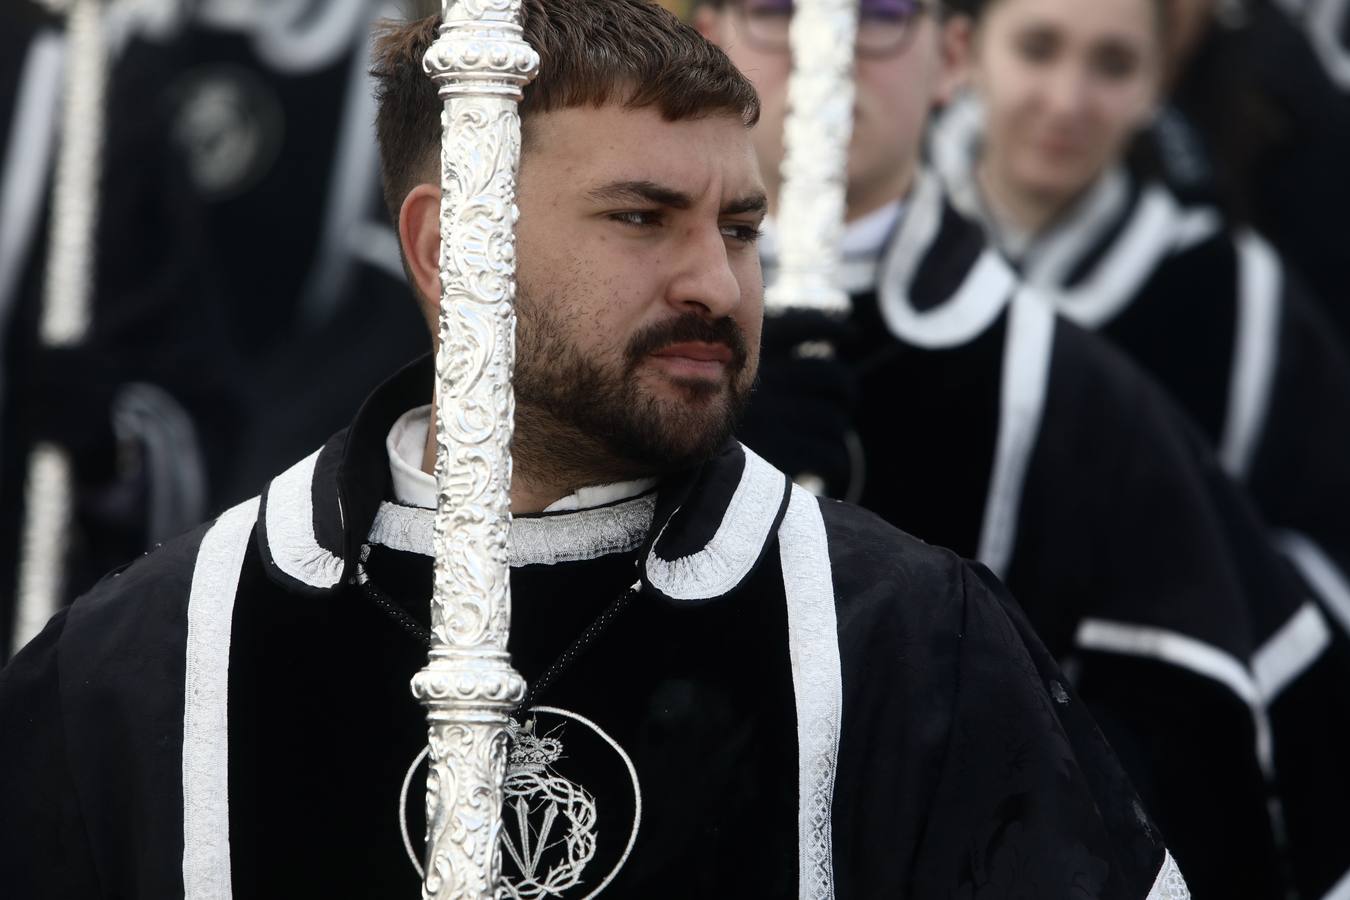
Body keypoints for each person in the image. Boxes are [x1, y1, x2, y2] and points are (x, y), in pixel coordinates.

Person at [0, 2, 1183, 897]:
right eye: (641, 219)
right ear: (448, 245)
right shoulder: (151, 663)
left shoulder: (907, 641)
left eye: (740, 228)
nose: (717, 286)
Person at [696, 0, 1349, 895]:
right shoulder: (614, 339)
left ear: (952, 56)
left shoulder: (1075, 394)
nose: (826, 52)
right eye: (777, 10)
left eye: (879, 14)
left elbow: (1199, 749)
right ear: (708, 40)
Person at [933, 0, 1350, 689]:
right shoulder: (870, 263)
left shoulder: (1232, 293)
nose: (1068, 101)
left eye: (1114, 64)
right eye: (1038, 48)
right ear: (965, 51)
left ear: (1159, 82)